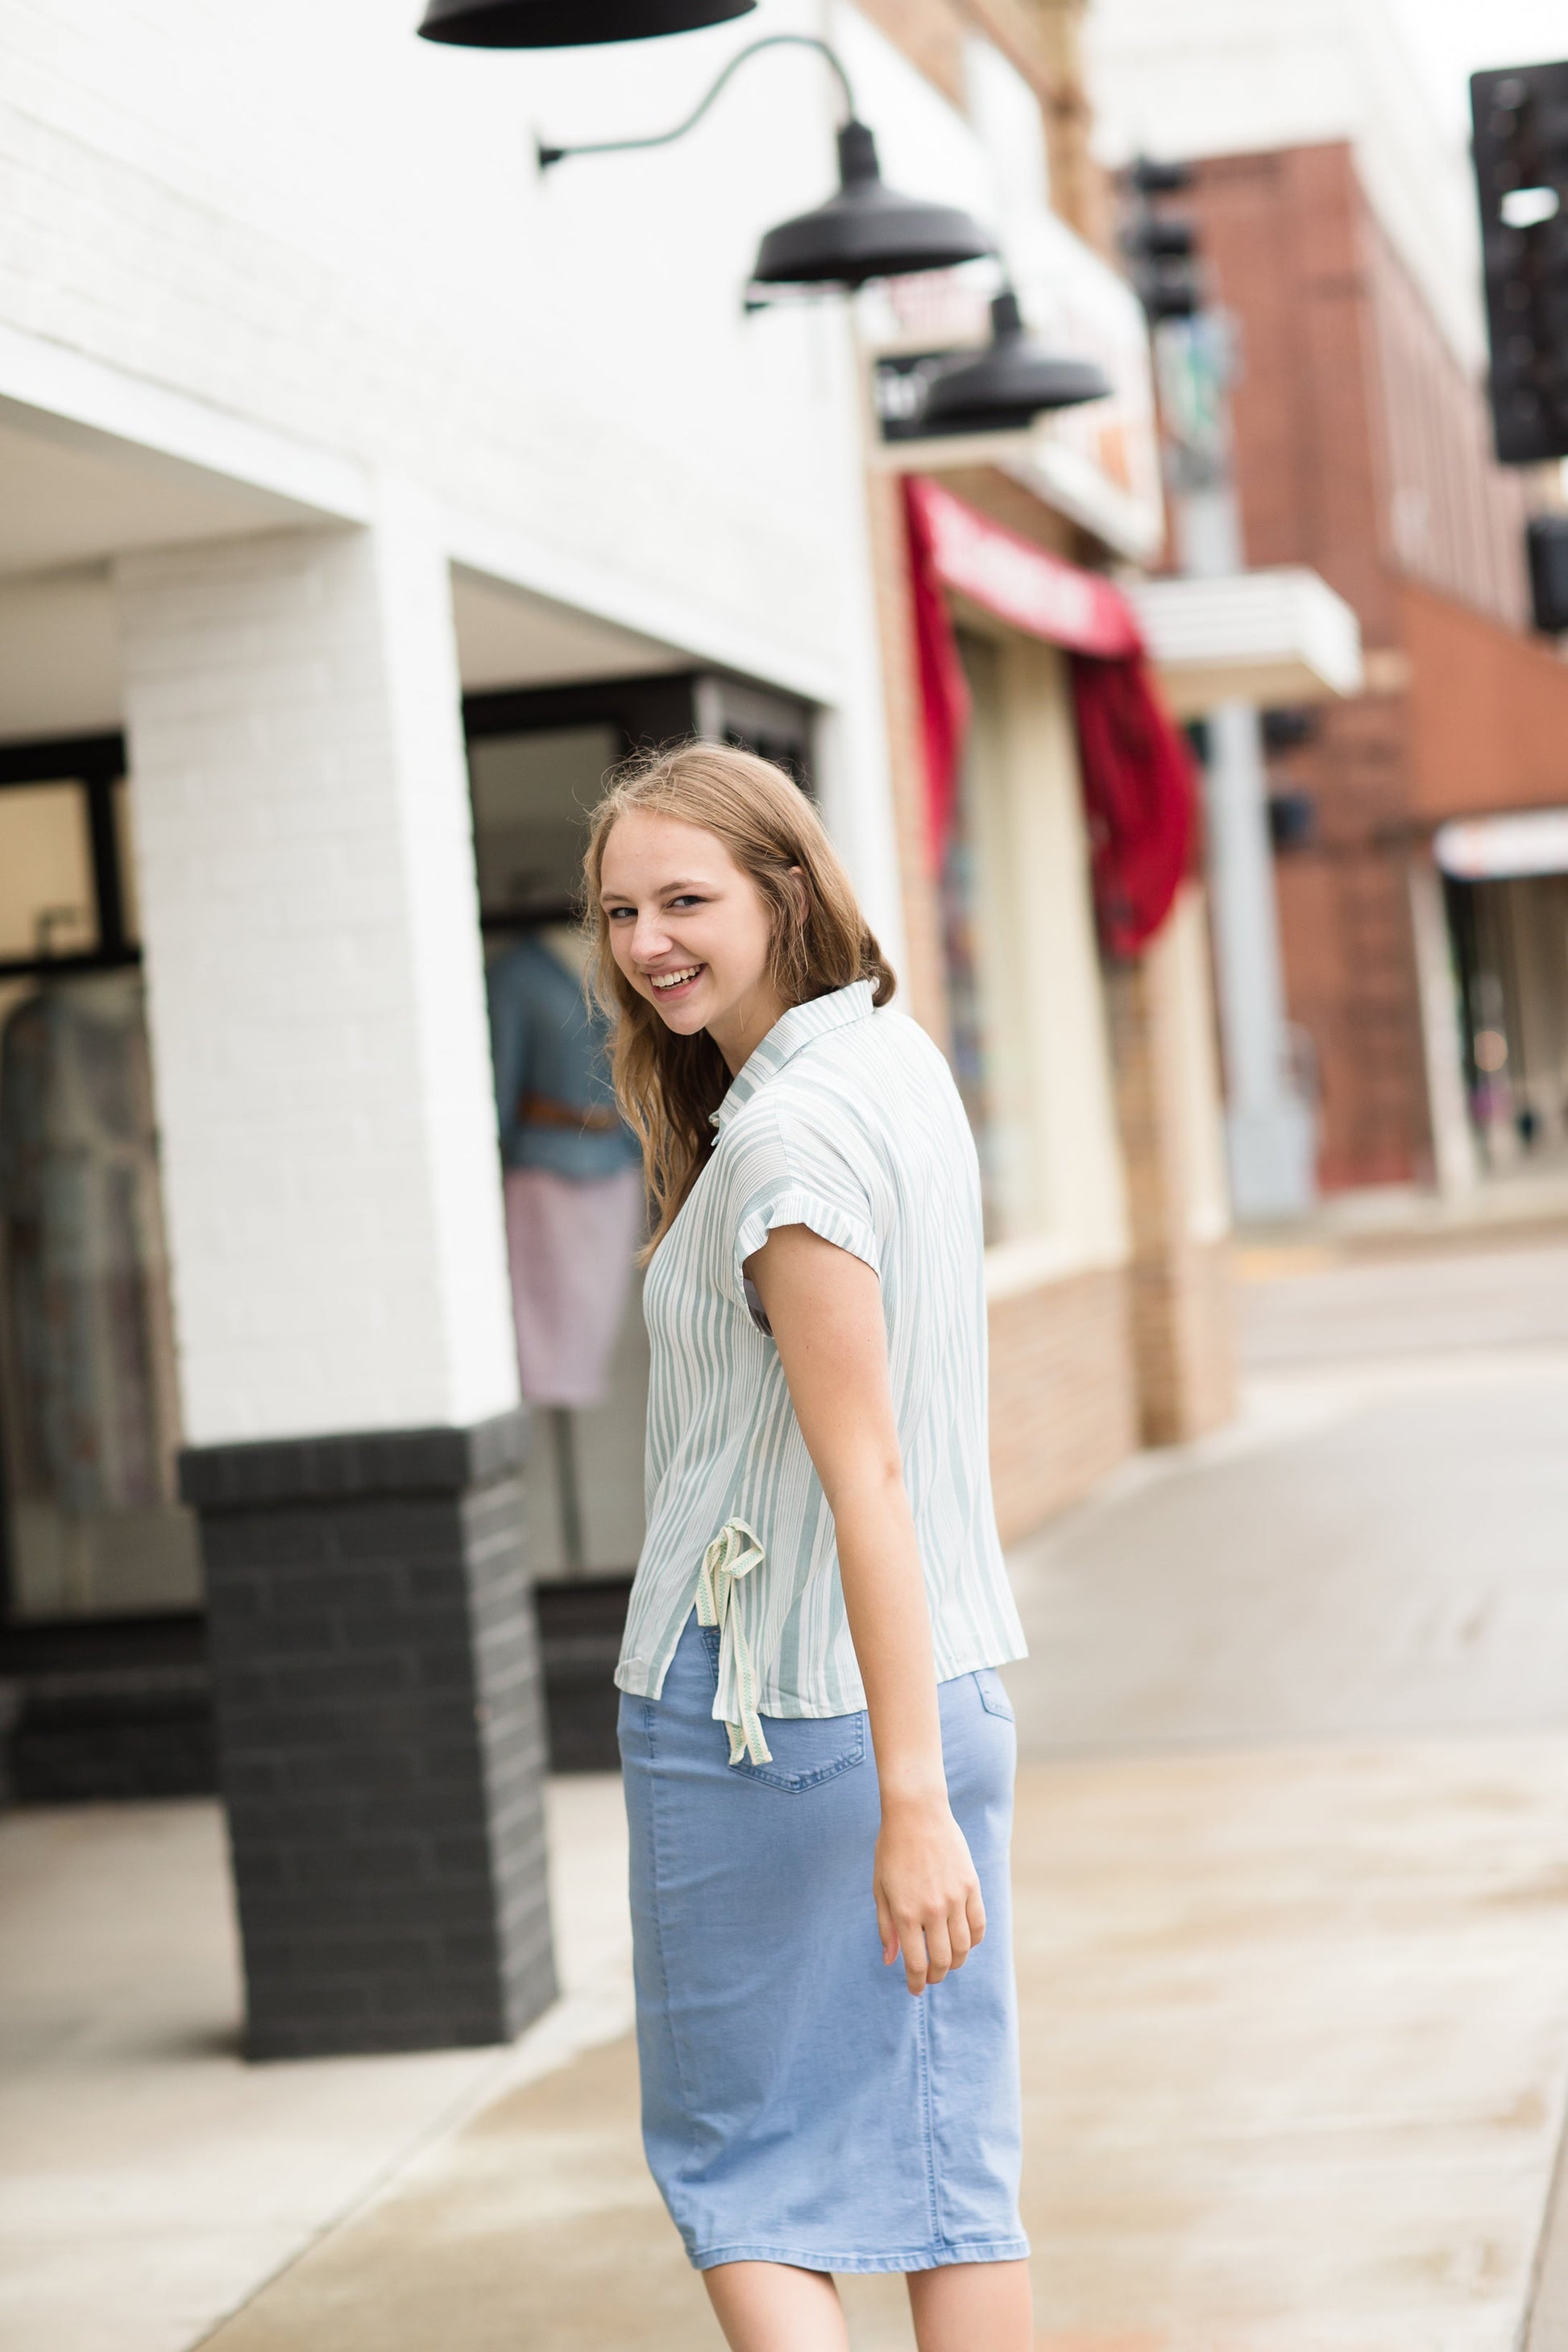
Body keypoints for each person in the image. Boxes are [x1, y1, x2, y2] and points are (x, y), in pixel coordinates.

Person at [586, 742, 1031, 2352]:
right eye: (623, 907)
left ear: (784, 890)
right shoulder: (892, 1064)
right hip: (942, 1687)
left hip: (775, 1718)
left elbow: (869, 1481)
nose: (647, 941)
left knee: (746, 2174)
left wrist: (904, 1806)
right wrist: (923, 1780)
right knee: (947, 2161)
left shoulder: (781, 1151)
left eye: (685, 898)